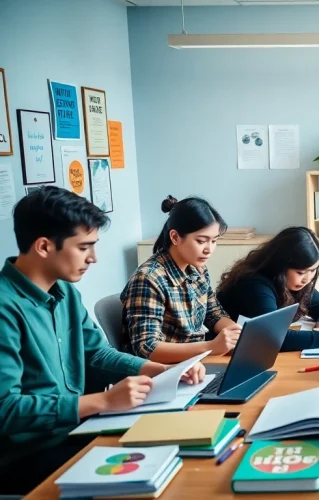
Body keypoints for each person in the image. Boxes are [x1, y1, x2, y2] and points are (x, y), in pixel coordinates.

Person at [0, 187, 204, 495]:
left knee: (188, 449)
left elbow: (97, 354)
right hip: (28, 456)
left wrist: (158, 370)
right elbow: (6, 409)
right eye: (84, 247)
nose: (93, 258)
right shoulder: (5, 307)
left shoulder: (65, 292)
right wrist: (103, 401)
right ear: (43, 246)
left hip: (78, 431)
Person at [121, 196, 242, 363]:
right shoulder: (149, 278)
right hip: (163, 371)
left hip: (196, 362)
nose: (209, 249)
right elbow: (147, 347)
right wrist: (211, 346)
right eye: (201, 241)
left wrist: (237, 334)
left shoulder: (198, 269)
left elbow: (213, 313)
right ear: (175, 237)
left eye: (214, 241)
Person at [216, 227, 319, 352]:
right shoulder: (254, 284)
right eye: (300, 273)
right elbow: (273, 338)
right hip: (225, 354)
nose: (307, 279)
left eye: (312, 271)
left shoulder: (293, 282)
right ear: (281, 266)